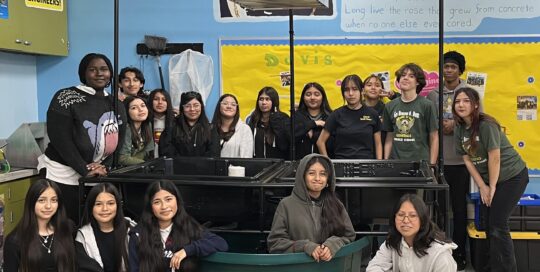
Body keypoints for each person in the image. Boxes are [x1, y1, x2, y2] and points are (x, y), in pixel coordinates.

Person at [37, 53, 126, 223]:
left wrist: (103, 168)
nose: (99, 74)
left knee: (90, 225)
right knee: (63, 225)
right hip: (62, 174)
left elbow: (119, 139)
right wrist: (84, 169)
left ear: (111, 74)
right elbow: (60, 139)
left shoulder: (117, 104)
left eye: (104, 69)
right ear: (83, 73)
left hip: (96, 174)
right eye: (92, 70)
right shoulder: (66, 97)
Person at [453, 87, 528, 272]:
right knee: (486, 224)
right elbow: (467, 159)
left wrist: (492, 186)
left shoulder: (486, 125)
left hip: (513, 177)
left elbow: (494, 157)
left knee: (498, 223)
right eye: (457, 101)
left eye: (466, 101)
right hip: (490, 181)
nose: (461, 104)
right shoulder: (459, 128)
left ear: (476, 104)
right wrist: (482, 186)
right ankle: (489, 267)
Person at [267, 154, 356, 261]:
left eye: (323, 174)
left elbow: (349, 236)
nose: (317, 178)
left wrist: (333, 244)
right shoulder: (286, 205)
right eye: (311, 173)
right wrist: (304, 246)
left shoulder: (336, 204)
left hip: (330, 267)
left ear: (328, 179)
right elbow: (275, 243)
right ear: (302, 176)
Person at [427, 51, 470, 269]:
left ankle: (460, 252)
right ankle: (438, 254)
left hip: (462, 162)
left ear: (460, 70)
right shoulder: (433, 95)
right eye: (445, 66)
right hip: (438, 162)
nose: (449, 70)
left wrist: (457, 123)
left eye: (453, 66)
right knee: (438, 210)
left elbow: (478, 120)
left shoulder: (470, 92)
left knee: (459, 210)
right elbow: (427, 124)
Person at [128, 180, 228, 272]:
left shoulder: (188, 226)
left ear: (177, 201)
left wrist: (187, 250)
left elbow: (221, 244)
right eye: (157, 202)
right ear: (150, 206)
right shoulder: (138, 235)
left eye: (168, 199)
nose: (164, 206)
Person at [366, 193, 457, 272]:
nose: (405, 220)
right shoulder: (393, 241)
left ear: (422, 219)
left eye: (412, 216)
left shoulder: (441, 255)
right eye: (401, 215)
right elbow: (374, 267)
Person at [4, 179, 77, 272]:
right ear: (31, 202)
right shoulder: (15, 240)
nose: (48, 206)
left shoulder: (69, 228)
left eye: (54, 200)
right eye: (42, 200)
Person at [382, 63, 439, 164]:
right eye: (403, 75)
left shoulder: (427, 105)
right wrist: (386, 162)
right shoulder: (389, 106)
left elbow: (434, 137)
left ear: (418, 82)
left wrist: (432, 165)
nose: (405, 78)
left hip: (420, 163)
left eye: (411, 76)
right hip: (396, 163)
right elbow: (389, 137)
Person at [317, 74, 382, 159]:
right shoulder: (336, 114)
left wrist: (379, 166)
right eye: (346, 90)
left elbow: (378, 144)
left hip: (367, 165)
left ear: (362, 91)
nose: (351, 93)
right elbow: (320, 142)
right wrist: (328, 164)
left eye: (355, 89)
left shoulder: (373, 114)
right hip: (341, 164)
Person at [76, 183, 135, 272]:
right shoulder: (83, 236)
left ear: (118, 205)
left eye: (110, 203)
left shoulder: (131, 229)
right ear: (91, 207)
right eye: (98, 204)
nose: (105, 209)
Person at [159, 91, 219, 157]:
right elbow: (166, 151)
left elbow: (213, 154)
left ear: (201, 107)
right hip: (177, 166)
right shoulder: (172, 127)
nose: (192, 109)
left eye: (196, 105)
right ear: (182, 108)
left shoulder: (211, 129)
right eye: (187, 106)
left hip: (204, 166)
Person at [248, 86, 291, 159]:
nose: (264, 102)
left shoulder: (283, 118)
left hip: (278, 165)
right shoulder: (253, 119)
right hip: (257, 164)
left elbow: (284, 145)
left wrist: (275, 122)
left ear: (274, 101)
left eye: (267, 99)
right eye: (261, 99)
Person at [294, 82, 333, 160]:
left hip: (324, 164)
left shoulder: (331, 117)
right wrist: (313, 124)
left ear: (323, 97)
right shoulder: (296, 116)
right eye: (308, 94)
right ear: (303, 97)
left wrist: (314, 135)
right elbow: (290, 137)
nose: (312, 98)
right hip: (300, 164)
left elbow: (334, 142)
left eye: (317, 94)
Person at [211, 94, 253, 158]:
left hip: (235, 168)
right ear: (219, 106)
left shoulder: (244, 129)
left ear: (237, 109)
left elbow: (246, 158)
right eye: (225, 103)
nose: (229, 106)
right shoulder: (210, 128)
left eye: (233, 104)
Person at [119, 96, 154, 166]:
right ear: (126, 112)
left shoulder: (148, 125)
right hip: (122, 170)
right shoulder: (126, 128)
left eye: (143, 106)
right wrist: (147, 164)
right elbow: (123, 159)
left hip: (139, 168)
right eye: (134, 108)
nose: (141, 110)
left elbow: (148, 152)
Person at [148, 89, 175, 158]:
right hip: (148, 161)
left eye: (164, 99)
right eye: (156, 99)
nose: (160, 102)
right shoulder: (145, 121)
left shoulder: (175, 121)